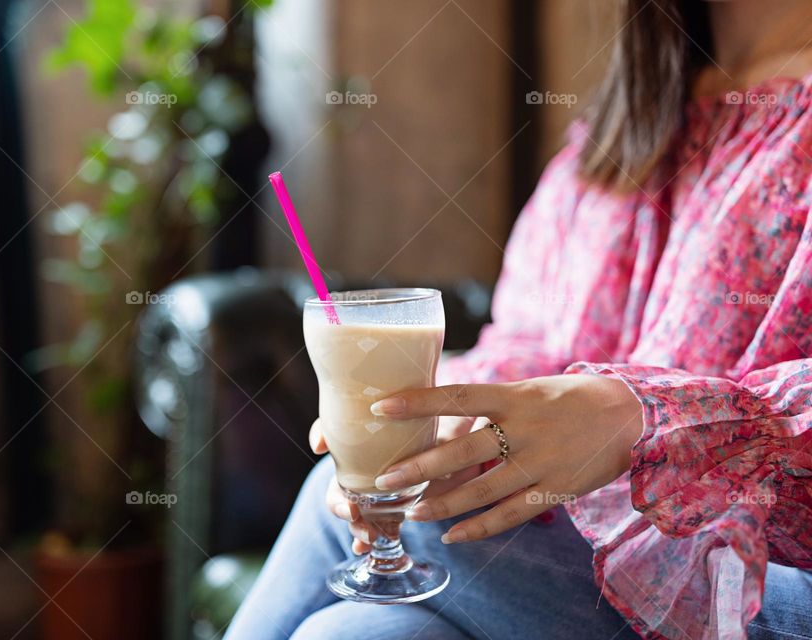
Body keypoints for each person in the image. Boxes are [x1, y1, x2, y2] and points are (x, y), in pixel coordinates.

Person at [226, 1, 812, 638]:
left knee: (343, 503)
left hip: (777, 583)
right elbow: (533, 338)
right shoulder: (636, 115)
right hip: (590, 549)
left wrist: (645, 419)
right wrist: (459, 427)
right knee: (357, 632)